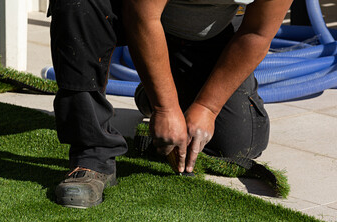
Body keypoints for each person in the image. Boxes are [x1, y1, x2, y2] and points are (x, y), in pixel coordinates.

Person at [48, 0, 293, 208]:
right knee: (78, 3)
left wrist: (207, 108)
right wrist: (164, 107)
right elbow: (142, 15)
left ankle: (160, 88)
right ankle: (91, 155)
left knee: (236, 145)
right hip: (128, 9)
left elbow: (257, 33)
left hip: (207, 33)